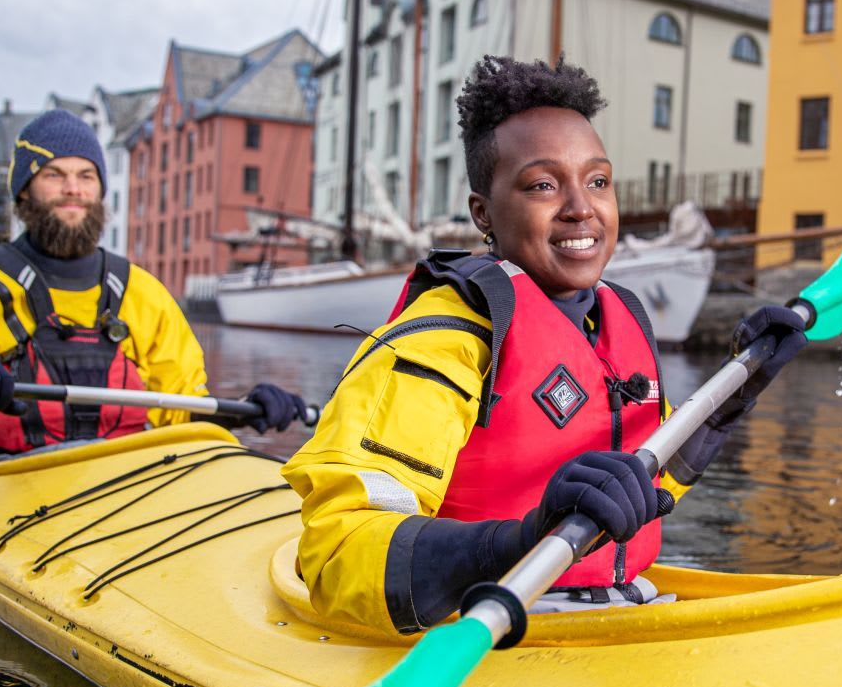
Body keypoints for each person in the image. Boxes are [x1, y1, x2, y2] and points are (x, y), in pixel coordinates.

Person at [282, 56, 805, 637]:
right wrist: (523, 540)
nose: (582, 207)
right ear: (484, 212)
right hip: (488, 620)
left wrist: (728, 405)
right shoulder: (441, 341)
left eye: (598, 181)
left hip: (623, 601)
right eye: (543, 185)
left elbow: (646, 485)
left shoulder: (618, 315)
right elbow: (335, 553)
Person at [0, 108, 305, 453]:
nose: (73, 189)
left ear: (99, 190)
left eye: (86, 176)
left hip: (115, 485)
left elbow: (181, 411)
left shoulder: (143, 293)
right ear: (24, 190)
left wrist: (246, 411)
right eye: (53, 175)